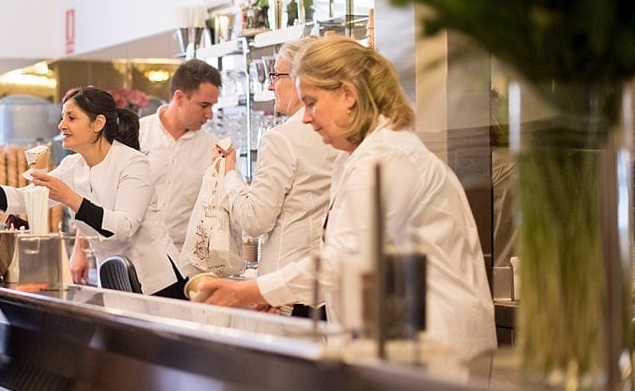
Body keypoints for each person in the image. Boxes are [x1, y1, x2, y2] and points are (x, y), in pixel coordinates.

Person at [201, 37, 498, 359]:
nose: (306, 117)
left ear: (348, 95)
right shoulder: (355, 158)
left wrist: (251, 289)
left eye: (312, 102)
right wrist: (282, 293)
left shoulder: (387, 157)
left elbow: (344, 259)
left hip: (434, 346)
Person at [0, 86, 187, 298]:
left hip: (160, 282)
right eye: (62, 117)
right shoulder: (72, 165)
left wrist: (70, 197)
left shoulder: (133, 163)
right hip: (117, 282)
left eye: (71, 118)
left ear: (98, 123)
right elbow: (23, 198)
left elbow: (123, 226)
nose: (61, 125)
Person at [221, 38, 340, 316]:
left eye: (276, 75)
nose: (269, 85)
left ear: (302, 79)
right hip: (326, 291)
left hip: (286, 293)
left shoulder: (281, 138)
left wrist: (230, 176)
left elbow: (255, 220)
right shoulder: (339, 133)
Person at [138, 59, 222, 259]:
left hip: (182, 261)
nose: (209, 114)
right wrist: (80, 250)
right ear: (179, 97)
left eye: (212, 106)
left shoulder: (213, 148)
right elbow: (101, 190)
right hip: (132, 256)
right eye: (203, 105)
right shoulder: (136, 134)